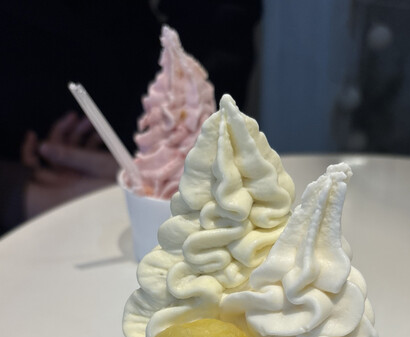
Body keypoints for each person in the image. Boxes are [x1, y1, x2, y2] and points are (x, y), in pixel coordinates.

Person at [0, 0, 262, 236]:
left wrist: (163, 156)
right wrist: (16, 192)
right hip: (29, 187)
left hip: (135, 132)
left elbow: (215, 21)